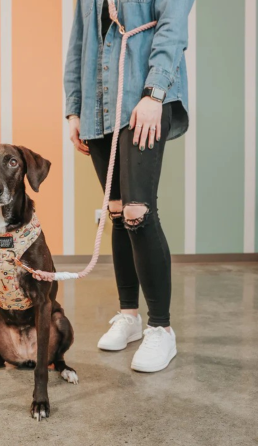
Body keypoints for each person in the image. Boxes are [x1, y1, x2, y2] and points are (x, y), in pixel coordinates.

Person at [64, 0, 193, 372]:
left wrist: (155, 94)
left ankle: (161, 329)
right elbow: (78, 44)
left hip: (144, 99)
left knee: (138, 211)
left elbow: (172, 28)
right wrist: (74, 109)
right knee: (117, 210)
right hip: (98, 105)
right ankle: (129, 316)